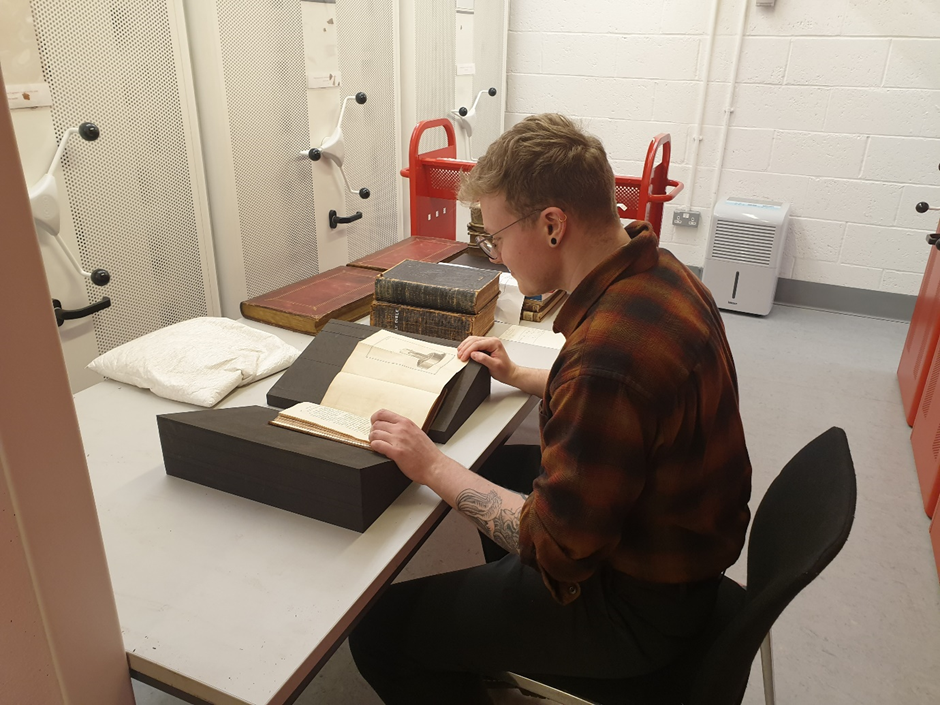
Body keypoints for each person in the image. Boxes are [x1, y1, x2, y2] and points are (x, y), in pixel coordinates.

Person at [349, 113, 752, 705]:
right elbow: (634, 408)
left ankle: (512, 654)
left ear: (553, 225)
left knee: (381, 632)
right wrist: (521, 375)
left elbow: (557, 547)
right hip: (678, 561)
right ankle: (495, 649)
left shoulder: (608, 359)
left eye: (494, 237)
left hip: (636, 611)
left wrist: (430, 465)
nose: (493, 255)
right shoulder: (658, 271)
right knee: (507, 469)